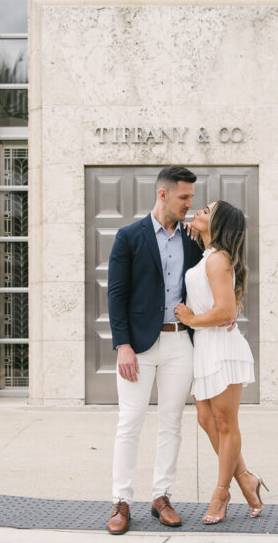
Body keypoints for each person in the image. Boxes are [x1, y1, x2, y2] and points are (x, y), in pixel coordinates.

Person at [105, 166, 202, 535]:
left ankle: (161, 496)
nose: (189, 204)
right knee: (129, 422)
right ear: (163, 195)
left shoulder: (193, 240)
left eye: (191, 197)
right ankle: (120, 501)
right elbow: (115, 294)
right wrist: (123, 345)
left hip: (179, 342)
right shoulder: (129, 236)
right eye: (184, 197)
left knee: (171, 423)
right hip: (139, 348)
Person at [174, 200, 266, 524]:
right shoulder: (208, 257)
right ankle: (246, 478)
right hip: (205, 346)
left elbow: (226, 312)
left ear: (219, 223)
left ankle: (221, 492)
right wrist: (193, 233)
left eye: (207, 211)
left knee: (226, 424)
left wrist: (191, 318)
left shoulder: (218, 260)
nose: (198, 210)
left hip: (221, 347)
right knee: (206, 419)